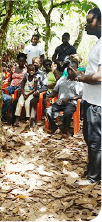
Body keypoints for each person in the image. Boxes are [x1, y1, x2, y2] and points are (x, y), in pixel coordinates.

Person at [69, 7, 101, 185]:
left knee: (95, 140)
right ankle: (95, 171)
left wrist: (80, 77)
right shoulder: (98, 43)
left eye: (90, 21)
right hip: (90, 100)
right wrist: (78, 73)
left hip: (97, 103)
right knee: (90, 137)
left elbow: (100, 76)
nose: (87, 24)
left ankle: (93, 178)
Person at [45, 60, 83, 136]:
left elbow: (82, 95)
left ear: (76, 70)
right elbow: (54, 92)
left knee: (68, 112)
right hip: (60, 102)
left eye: (72, 70)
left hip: (71, 103)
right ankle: (56, 129)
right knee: (48, 111)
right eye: (69, 69)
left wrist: (70, 99)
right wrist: (47, 96)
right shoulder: (62, 79)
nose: (70, 71)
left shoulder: (80, 81)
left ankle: (66, 129)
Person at [22, 57, 48, 128]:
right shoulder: (27, 74)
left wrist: (38, 91)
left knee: (32, 102)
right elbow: (22, 84)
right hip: (27, 92)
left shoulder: (43, 74)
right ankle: (15, 121)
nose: (34, 64)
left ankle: (32, 123)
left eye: (36, 63)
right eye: (33, 63)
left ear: (40, 64)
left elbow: (45, 87)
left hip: (37, 94)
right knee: (16, 101)